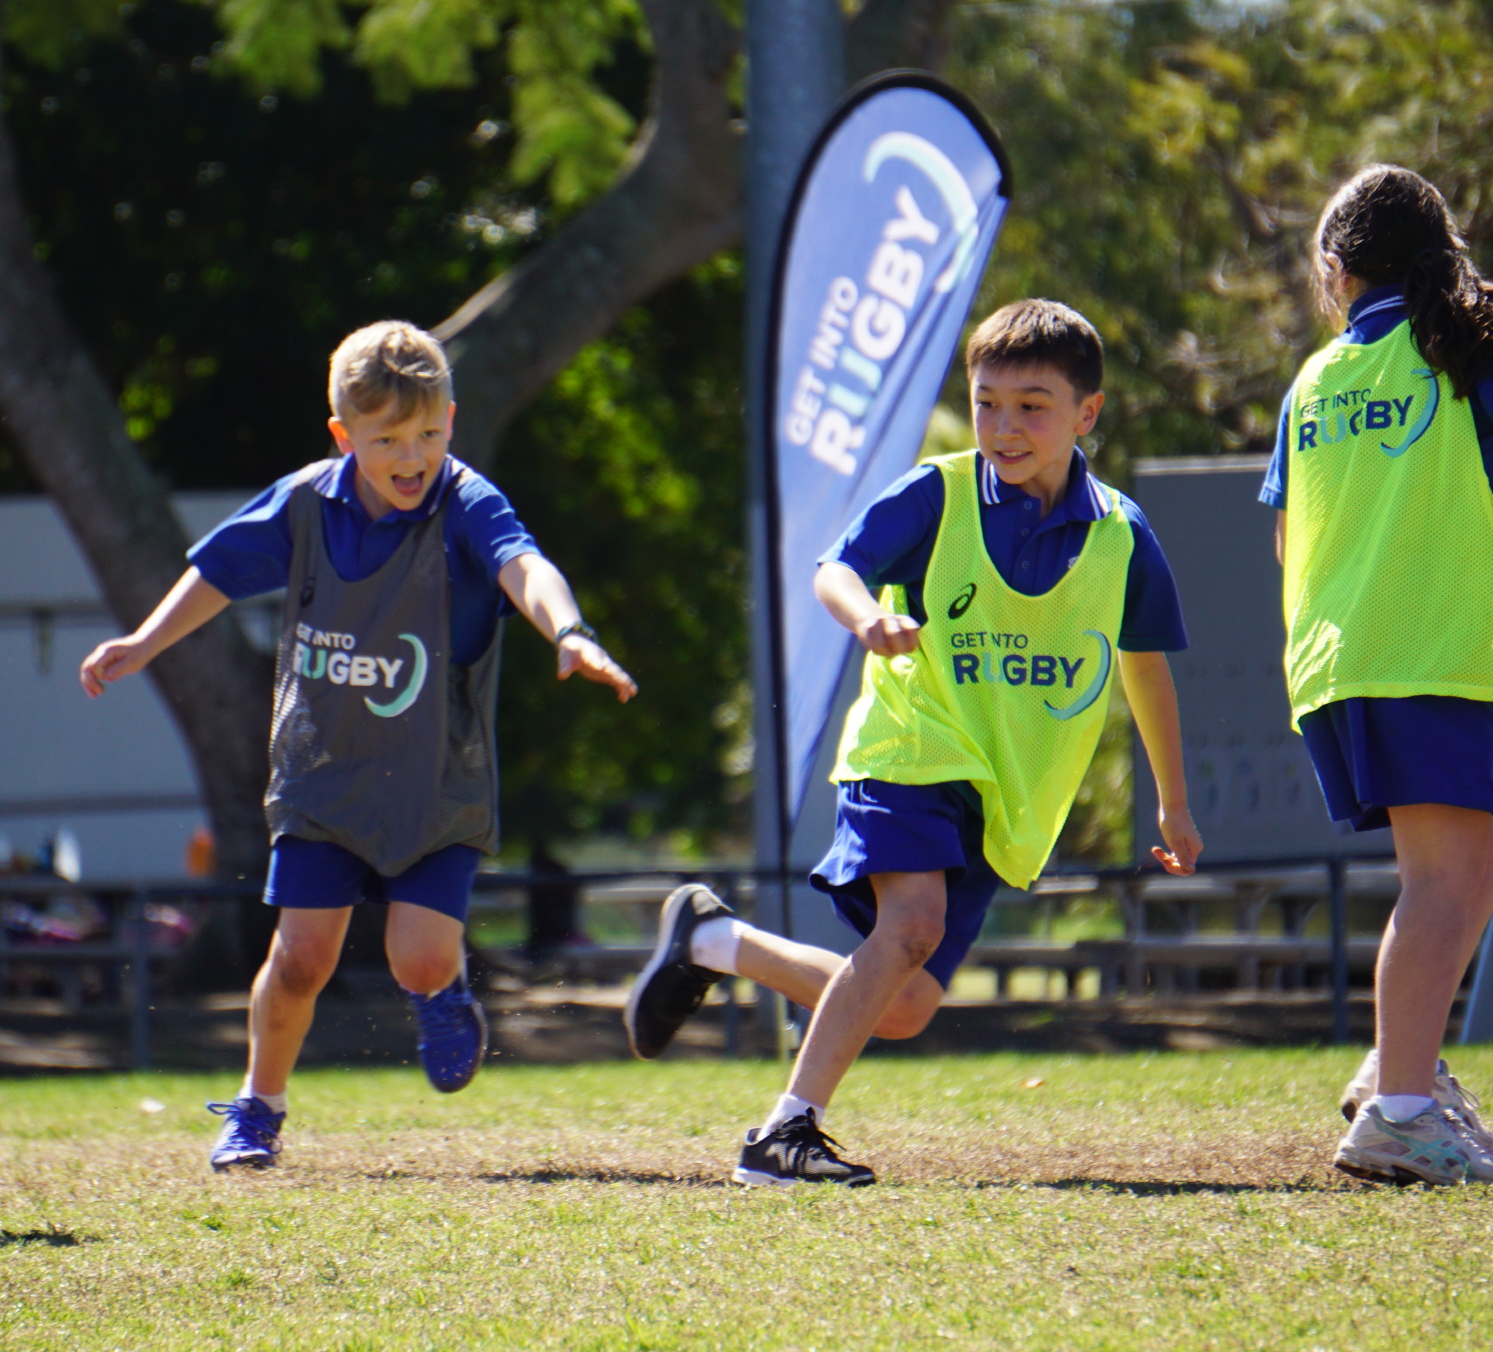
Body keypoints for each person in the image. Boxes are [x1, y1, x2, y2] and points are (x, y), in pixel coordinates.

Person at [625, 299, 1201, 1187]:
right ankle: (784, 1132)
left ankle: (713, 941)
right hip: (909, 746)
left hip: (1001, 790)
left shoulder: (1123, 536)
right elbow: (837, 568)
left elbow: (1145, 664)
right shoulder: (937, 493)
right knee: (913, 925)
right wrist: (866, 621)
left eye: (1031, 405)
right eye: (986, 402)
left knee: (903, 1007)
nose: (1003, 426)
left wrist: (1173, 799)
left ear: (1088, 413)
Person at [80, 321, 636, 1170]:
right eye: (388, 441)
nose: (413, 456)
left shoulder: (468, 504)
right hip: (322, 776)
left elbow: (525, 564)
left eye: (429, 434)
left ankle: (442, 989)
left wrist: (569, 630)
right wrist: (145, 642)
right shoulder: (306, 502)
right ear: (344, 436)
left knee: (412, 958)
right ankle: (259, 1108)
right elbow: (219, 572)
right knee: (301, 957)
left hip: (435, 782)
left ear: (451, 417)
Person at [1262, 165, 1493, 1185]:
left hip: (1340, 660)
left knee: (1447, 876)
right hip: (1443, 648)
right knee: (1447, 880)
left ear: (1333, 269)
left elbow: (1283, 540)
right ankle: (1399, 1109)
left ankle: (1395, 1069)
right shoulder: (1467, 349)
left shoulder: (1312, 381)